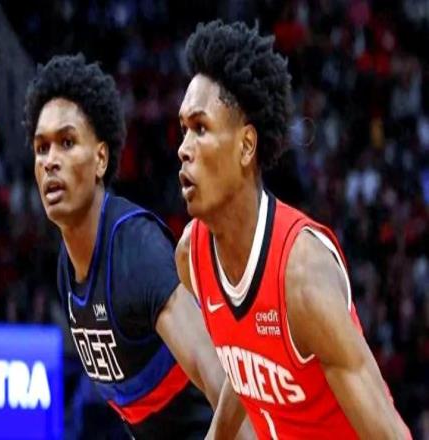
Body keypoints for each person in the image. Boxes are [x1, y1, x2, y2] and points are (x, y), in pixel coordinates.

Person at [175, 20, 412, 439]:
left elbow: (389, 434)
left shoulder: (302, 278)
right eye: (183, 131)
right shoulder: (191, 256)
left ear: (246, 146)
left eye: (200, 128)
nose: (183, 149)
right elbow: (245, 360)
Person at [23, 54, 232, 439]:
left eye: (66, 143)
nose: (50, 161)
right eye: (41, 148)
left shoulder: (136, 251)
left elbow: (226, 389)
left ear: (101, 159)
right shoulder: (67, 270)